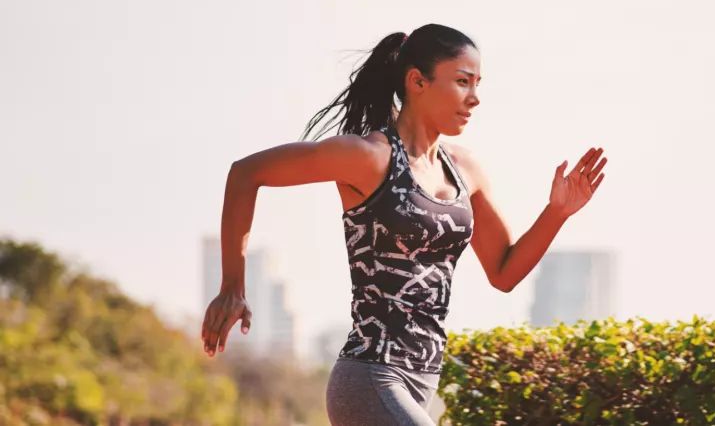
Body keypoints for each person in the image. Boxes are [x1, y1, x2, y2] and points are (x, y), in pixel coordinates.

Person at [200, 23, 608, 425]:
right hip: (370, 376)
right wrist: (232, 286)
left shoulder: (465, 169)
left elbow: (504, 272)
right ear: (417, 81)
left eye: (478, 84)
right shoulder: (368, 157)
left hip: (422, 380)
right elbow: (245, 173)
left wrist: (556, 213)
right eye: (463, 81)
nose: (475, 98)